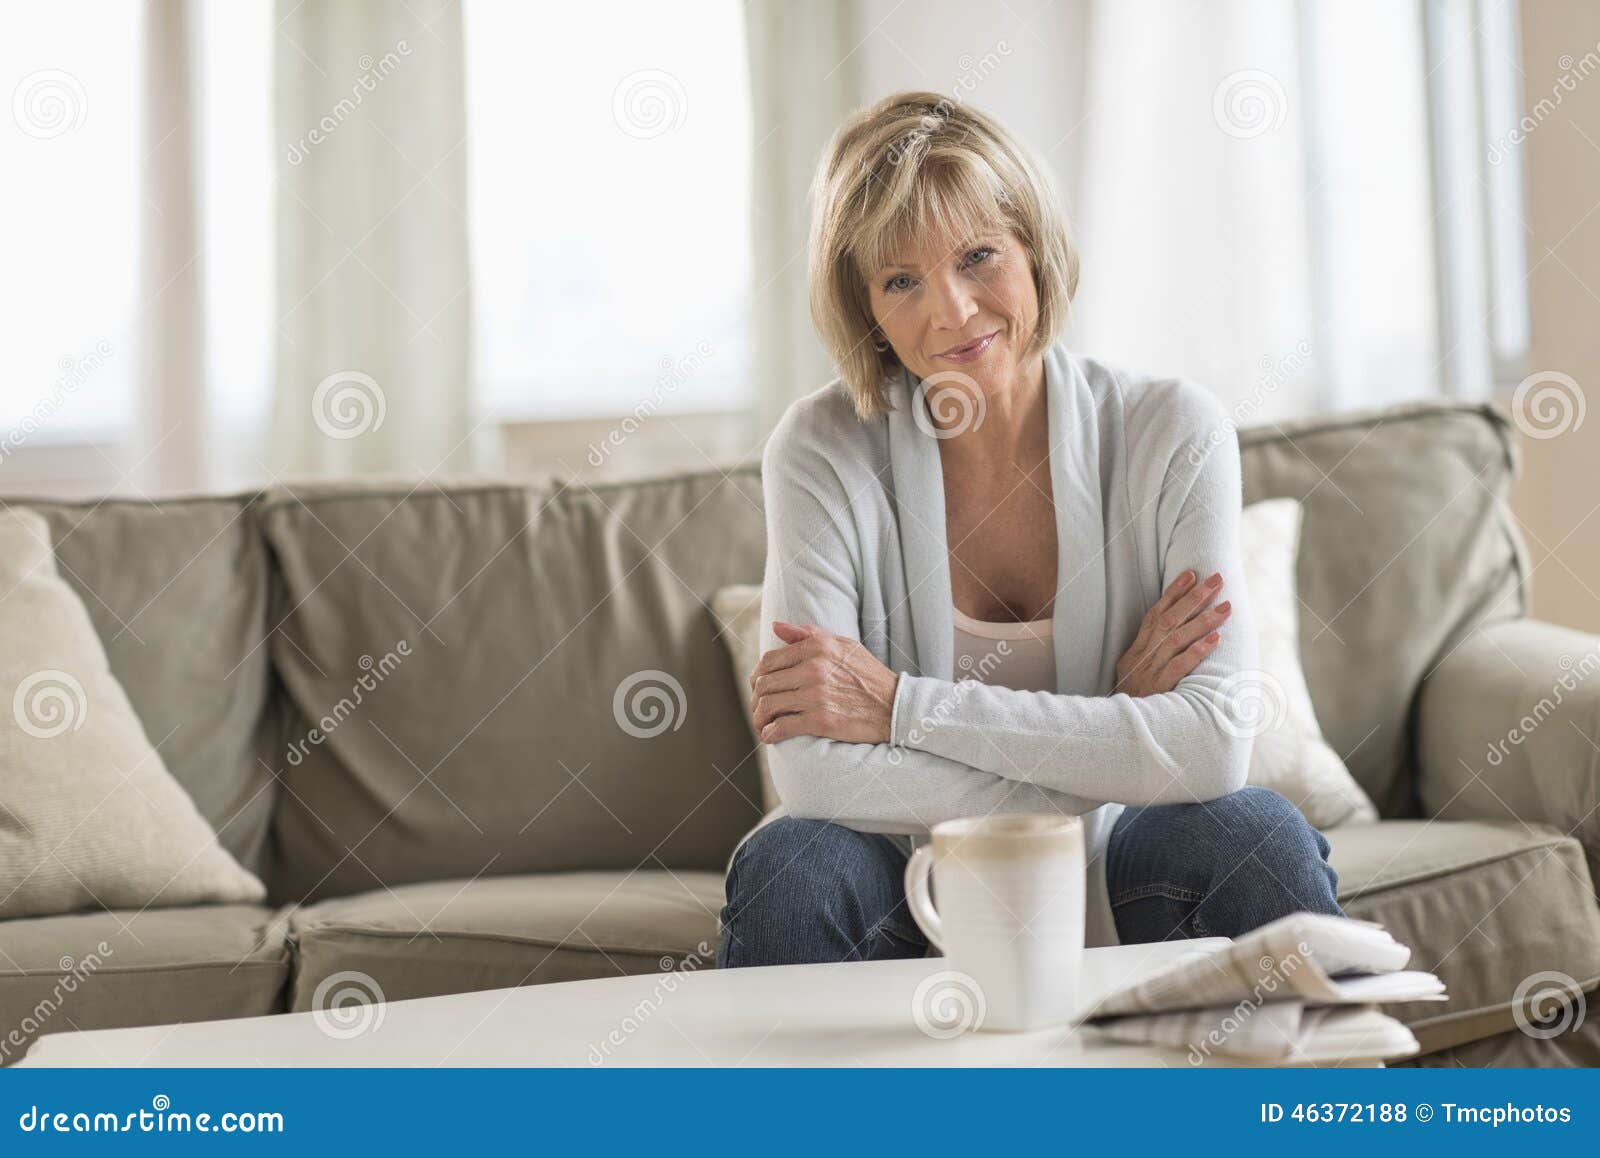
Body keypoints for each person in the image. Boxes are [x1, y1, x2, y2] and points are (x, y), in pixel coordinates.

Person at [717, 91, 1343, 969]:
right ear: (867, 312)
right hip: (903, 864)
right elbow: (817, 776)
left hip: (1131, 857)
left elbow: (1207, 751)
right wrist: (1117, 729)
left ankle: (1312, 1113)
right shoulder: (821, 448)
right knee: (793, 865)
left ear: (1036, 251)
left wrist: (900, 708)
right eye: (902, 280)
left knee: (1253, 833)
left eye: (979, 257)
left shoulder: (1173, 429)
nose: (954, 313)